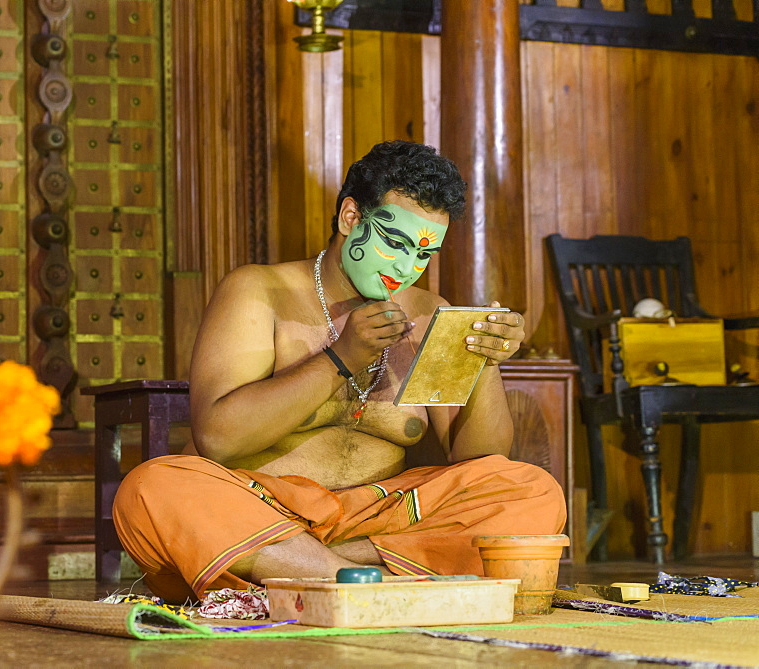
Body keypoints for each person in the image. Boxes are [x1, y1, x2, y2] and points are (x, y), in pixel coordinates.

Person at [113, 140, 566, 602]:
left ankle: (321, 569)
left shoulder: (431, 313)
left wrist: (484, 360)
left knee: (532, 490)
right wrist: (340, 359)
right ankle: (368, 582)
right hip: (261, 507)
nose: (407, 268)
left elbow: (481, 460)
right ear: (351, 218)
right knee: (151, 487)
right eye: (395, 243)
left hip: (374, 523)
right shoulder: (259, 291)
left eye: (424, 255)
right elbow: (219, 439)